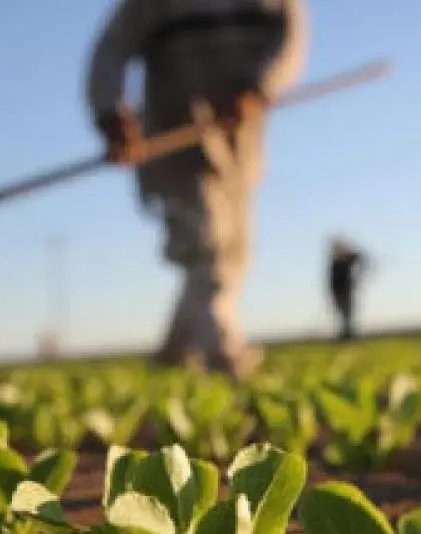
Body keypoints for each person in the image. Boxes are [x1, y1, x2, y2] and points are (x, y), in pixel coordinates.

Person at [85, 0, 308, 380]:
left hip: (238, 138)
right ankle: (221, 350)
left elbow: (290, 41)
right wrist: (109, 113)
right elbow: (112, 49)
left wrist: (258, 87)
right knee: (206, 243)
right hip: (175, 133)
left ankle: (174, 353)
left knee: (235, 250)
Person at [328, 236, 369, 341]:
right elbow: (331, 279)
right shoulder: (334, 262)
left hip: (347, 290)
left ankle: (350, 335)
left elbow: (361, 258)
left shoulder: (348, 258)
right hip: (337, 291)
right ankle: (346, 334)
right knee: (342, 314)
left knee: (348, 314)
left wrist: (358, 275)